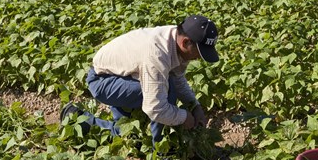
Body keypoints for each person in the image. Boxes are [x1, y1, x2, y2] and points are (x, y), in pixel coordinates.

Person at [61, 14, 219, 145]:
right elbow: (155, 108)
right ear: (185, 42)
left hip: (124, 75)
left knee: (128, 136)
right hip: (104, 80)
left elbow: (178, 78)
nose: (199, 57)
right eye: (199, 52)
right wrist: (184, 117)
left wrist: (194, 105)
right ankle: (158, 148)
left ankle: (77, 118)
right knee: (166, 89)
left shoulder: (176, 38)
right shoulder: (157, 53)